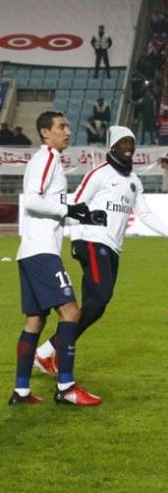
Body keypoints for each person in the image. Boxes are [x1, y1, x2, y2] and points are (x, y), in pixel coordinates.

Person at [32, 126, 168, 375]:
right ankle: (47, 352)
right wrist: (75, 238)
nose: (130, 146)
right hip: (93, 241)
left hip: (113, 247)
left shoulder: (133, 181)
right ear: (113, 146)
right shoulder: (100, 174)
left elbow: (146, 214)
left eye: (132, 142)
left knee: (96, 308)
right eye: (124, 142)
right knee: (101, 297)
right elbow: (76, 203)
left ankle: (46, 352)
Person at [8, 111, 107, 407]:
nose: (67, 131)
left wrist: (84, 215)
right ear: (44, 132)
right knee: (72, 313)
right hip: (42, 254)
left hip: (31, 252)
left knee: (35, 321)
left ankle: (21, 392)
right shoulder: (47, 158)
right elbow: (34, 199)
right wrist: (71, 210)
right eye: (61, 127)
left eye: (67, 125)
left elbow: (51, 207)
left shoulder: (49, 161)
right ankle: (66, 388)